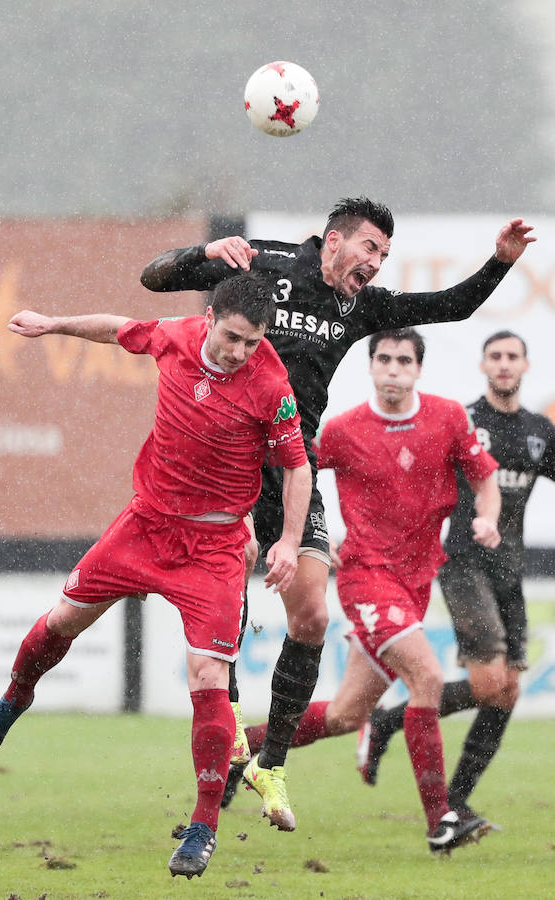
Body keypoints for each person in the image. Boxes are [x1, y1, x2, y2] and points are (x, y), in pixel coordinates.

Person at [140, 198, 535, 831]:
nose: (376, 264)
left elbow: (451, 306)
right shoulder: (263, 265)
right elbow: (154, 277)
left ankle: (268, 759)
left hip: (291, 468)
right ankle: (230, 732)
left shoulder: (359, 307)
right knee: (224, 610)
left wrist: (500, 262)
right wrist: (204, 255)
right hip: (227, 462)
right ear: (332, 241)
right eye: (369, 249)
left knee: (312, 614)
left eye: (383, 255)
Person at [0, 275, 312, 880]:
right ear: (208, 319)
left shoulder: (271, 387)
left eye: (251, 343)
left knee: (208, 675)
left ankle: (203, 824)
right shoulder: (173, 337)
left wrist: (285, 539)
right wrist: (51, 323)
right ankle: (12, 701)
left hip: (215, 547)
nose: (239, 352)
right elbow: (114, 326)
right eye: (231, 337)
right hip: (146, 526)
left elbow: (297, 469)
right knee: (63, 620)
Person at [229, 327, 502, 853]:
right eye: (384, 359)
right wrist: (304, 532)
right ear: (372, 366)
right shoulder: (344, 429)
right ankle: (440, 819)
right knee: (428, 676)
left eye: (404, 360)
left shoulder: (447, 418)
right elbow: (294, 469)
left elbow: (483, 478)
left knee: (345, 716)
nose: (394, 368)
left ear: (418, 369)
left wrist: (488, 519)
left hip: (416, 582)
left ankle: (238, 751)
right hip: (367, 577)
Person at [357, 330, 555, 827]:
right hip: (464, 565)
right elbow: (417, 475)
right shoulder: (464, 422)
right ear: (483, 365)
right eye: (496, 356)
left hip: (510, 571)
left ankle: (455, 800)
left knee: (506, 691)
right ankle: (388, 720)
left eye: (513, 356)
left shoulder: (539, 430)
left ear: (526, 366)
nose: (504, 364)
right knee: (490, 681)